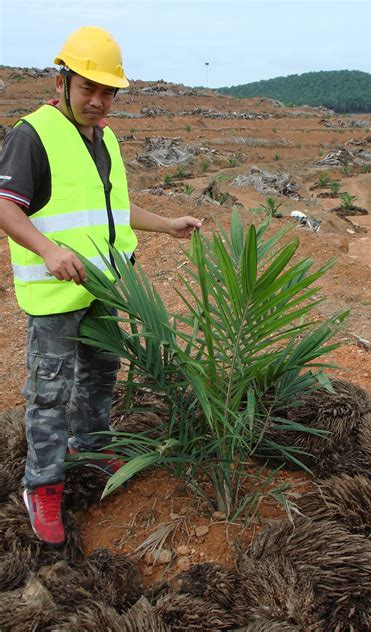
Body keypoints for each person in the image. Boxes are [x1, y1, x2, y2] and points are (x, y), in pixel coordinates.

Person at [0, 26, 202, 545]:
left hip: (103, 287)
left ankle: (90, 447)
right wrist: (48, 249)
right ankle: (41, 488)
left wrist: (166, 224)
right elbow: (5, 205)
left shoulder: (105, 137)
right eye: (88, 87)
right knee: (49, 391)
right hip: (54, 293)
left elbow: (114, 209)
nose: (98, 100)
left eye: (107, 91)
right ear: (63, 80)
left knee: (101, 372)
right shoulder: (32, 134)